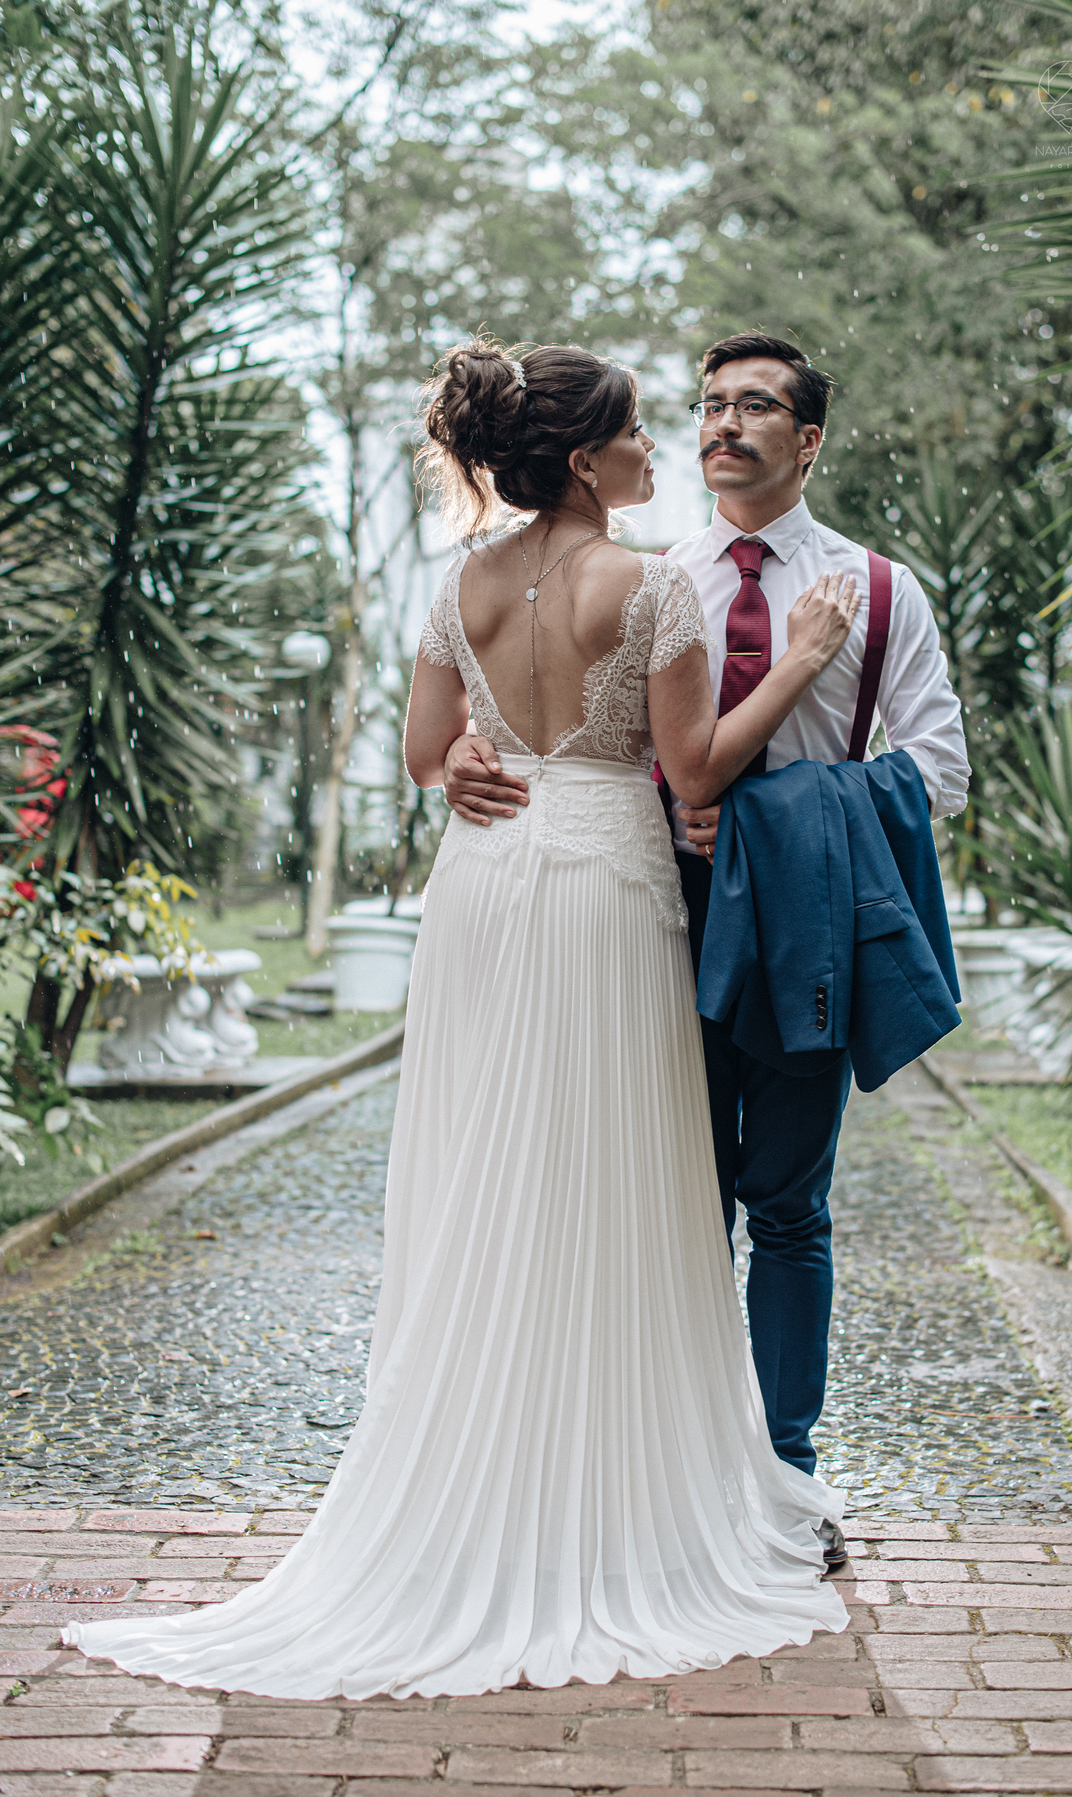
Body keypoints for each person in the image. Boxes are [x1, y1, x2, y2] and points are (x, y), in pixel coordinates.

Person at [63, 338, 861, 1702]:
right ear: (583, 458)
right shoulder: (650, 582)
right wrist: (802, 662)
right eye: (633, 435)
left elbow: (431, 755)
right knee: (606, 1181)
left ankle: (487, 1470)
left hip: (486, 894)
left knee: (492, 1174)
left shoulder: (463, 581)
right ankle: (601, 1495)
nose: (656, 451)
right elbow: (695, 772)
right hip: (605, 889)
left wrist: (476, 764)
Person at [444, 334, 969, 1561]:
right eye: (712, 404)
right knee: (659, 1202)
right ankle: (659, 1478)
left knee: (786, 1203)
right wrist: (465, 760)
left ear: (810, 438)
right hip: (653, 919)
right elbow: (566, 726)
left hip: (803, 924)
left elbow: (937, 771)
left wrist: (778, 811)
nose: (724, 424)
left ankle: (787, 1479)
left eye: (758, 406)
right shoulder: (647, 573)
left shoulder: (877, 594)